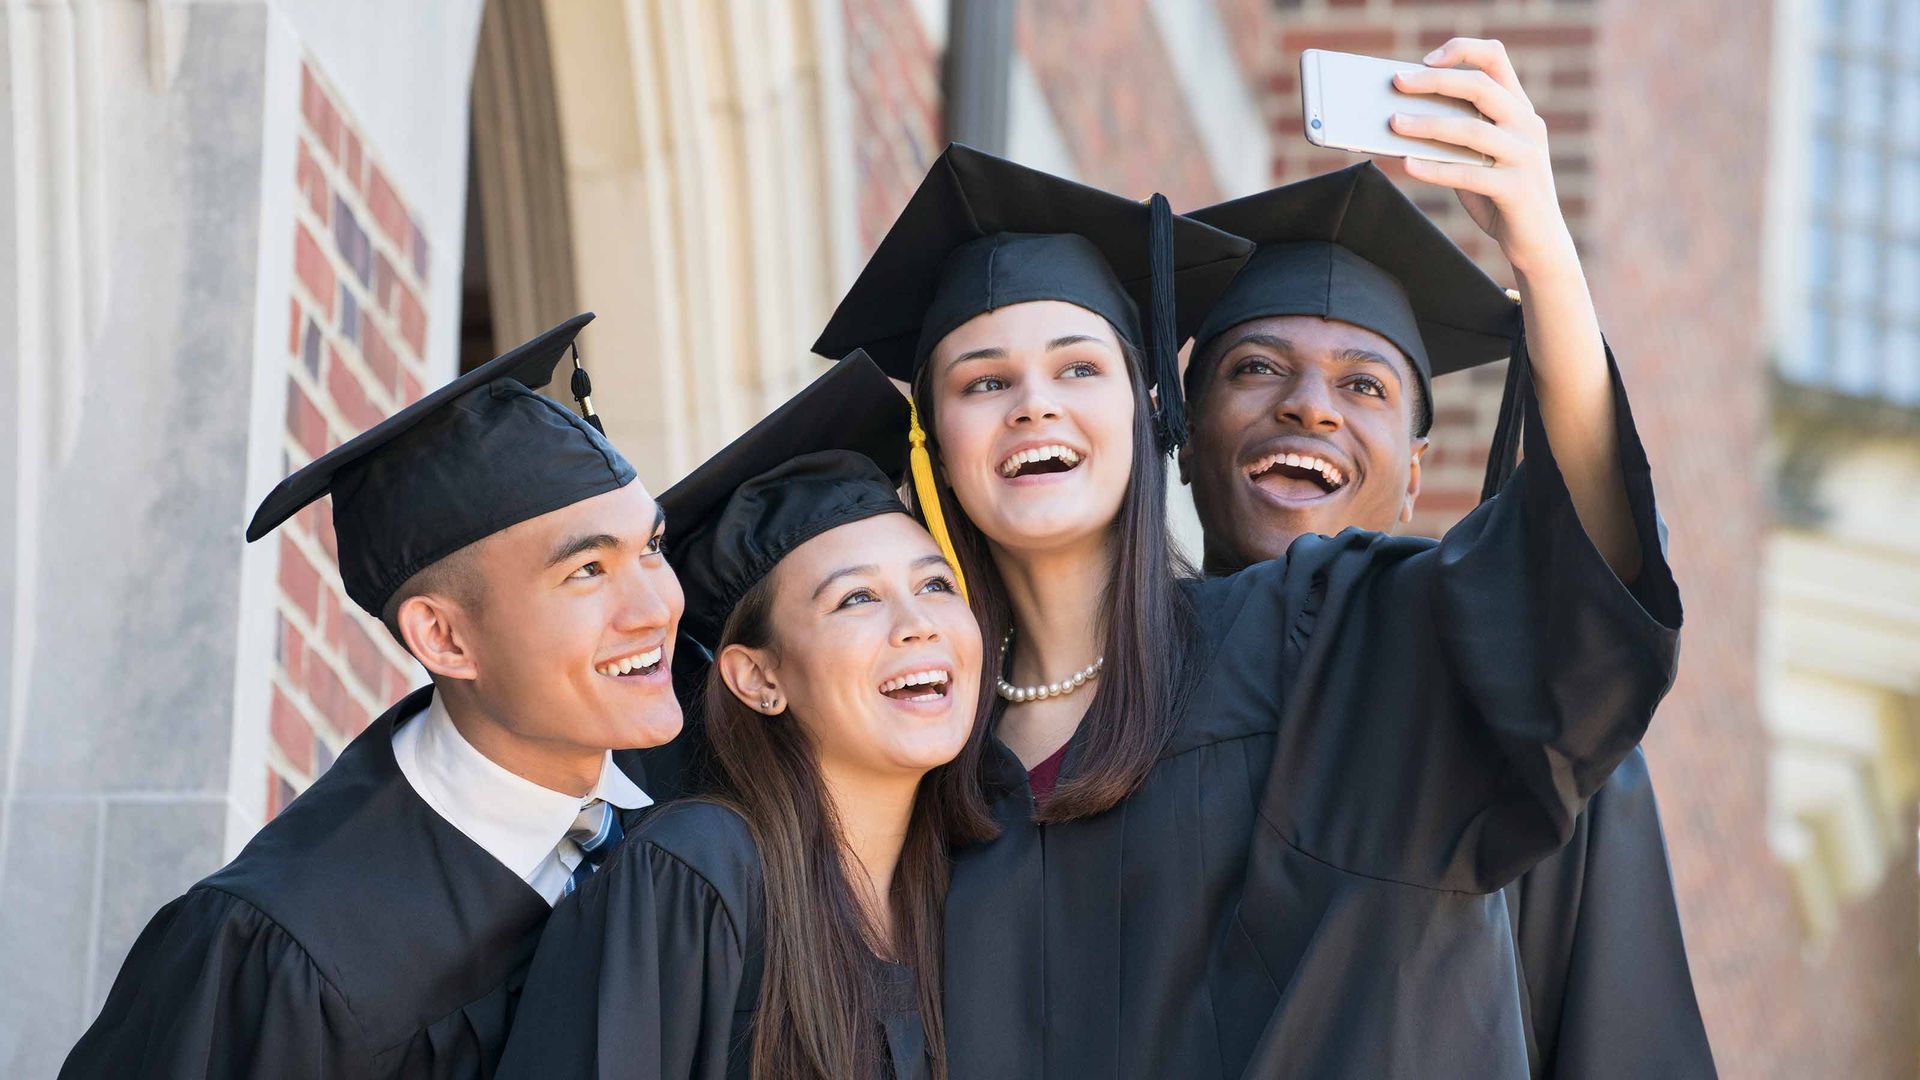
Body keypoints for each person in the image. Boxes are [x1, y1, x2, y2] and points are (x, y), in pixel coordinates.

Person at [810, 37, 1682, 1078]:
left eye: (1078, 366)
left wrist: (1543, 255)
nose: (1035, 402)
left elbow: (1578, 590)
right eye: (982, 382)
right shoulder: (926, 755)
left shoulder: (1339, 649)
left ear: (1142, 415)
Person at [1177, 161, 1714, 1077]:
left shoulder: (1522, 729)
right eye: (1258, 368)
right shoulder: (1098, 708)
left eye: (1365, 387)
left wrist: (1543, 255)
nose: (1308, 404)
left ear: (1416, 478)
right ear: (1186, 442)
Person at [61, 314, 686, 1079]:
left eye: (652, 547)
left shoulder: (697, 809)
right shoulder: (285, 952)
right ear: (444, 640)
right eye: (587, 570)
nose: (655, 607)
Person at [498, 353, 993, 1080]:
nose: (918, 624)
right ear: (758, 678)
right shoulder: (698, 874)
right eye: (857, 598)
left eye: (937, 584)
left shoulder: (971, 893)